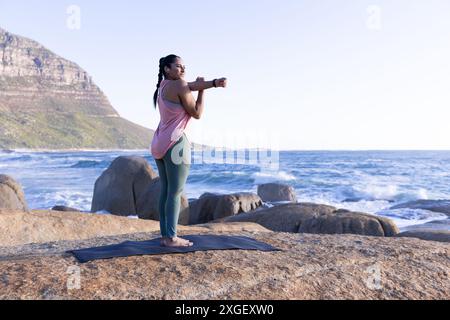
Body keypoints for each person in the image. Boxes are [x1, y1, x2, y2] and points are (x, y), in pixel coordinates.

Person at [151, 54, 227, 247]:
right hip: (175, 143)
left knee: (166, 191)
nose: (183, 69)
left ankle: (165, 235)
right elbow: (197, 113)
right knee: (175, 193)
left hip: (159, 142)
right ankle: (172, 238)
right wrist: (204, 91)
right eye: (178, 66)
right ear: (167, 69)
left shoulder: (163, 86)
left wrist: (213, 83)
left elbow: (189, 85)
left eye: (184, 66)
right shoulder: (178, 85)